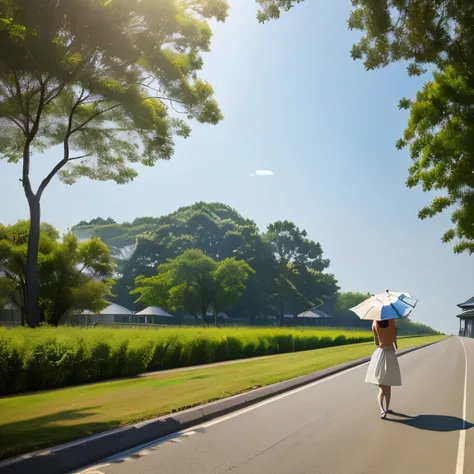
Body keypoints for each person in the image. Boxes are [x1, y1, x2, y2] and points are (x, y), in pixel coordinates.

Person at [365, 319, 401, 419]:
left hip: (381, 353)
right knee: (388, 385)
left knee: (382, 386)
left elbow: (376, 342)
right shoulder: (392, 321)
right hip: (390, 353)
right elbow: (394, 339)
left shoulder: (374, 323)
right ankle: (387, 408)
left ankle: (382, 410)